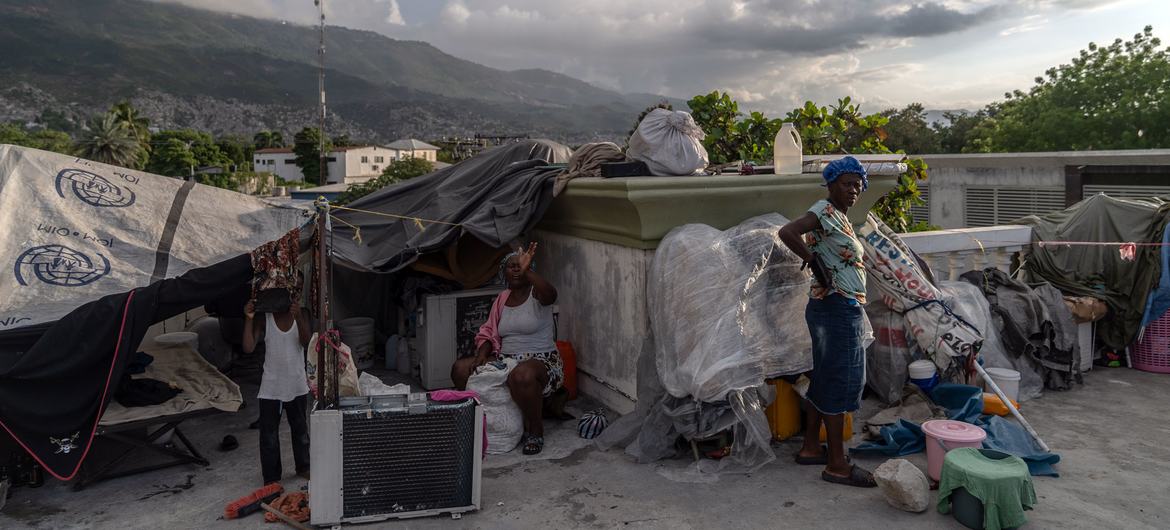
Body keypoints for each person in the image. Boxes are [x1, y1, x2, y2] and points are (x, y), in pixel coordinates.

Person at [777, 156, 876, 488]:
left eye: (858, 184)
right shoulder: (825, 211)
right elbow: (787, 231)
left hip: (829, 307)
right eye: (847, 184)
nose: (854, 190)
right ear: (831, 184)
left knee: (824, 376)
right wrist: (811, 260)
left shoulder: (840, 219)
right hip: (836, 308)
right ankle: (836, 464)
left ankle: (809, 447)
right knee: (839, 381)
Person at [451, 242, 562, 455]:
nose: (516, 268)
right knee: (461, 369)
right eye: (511, 266)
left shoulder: (537, 294)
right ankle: (482, 425)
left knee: (521, 375)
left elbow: (551, 295)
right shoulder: (501, 299)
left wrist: (527, 270)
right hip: (507, 360)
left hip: (543, 361)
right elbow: (488, 332)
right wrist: (482, 355)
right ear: (504, 273)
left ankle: (535, 430)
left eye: (520, 265)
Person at [242, 292, 312, 485]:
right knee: (268, 435)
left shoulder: (302, 314)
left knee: (300, 430)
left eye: (298, 290)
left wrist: (298, 317)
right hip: (271, 385)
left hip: (297, 383)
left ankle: (304, 466)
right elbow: (248, 347)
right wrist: (248, 318)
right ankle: (271, 477)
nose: (295, 295)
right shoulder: (264, 317)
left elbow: (306, 342)